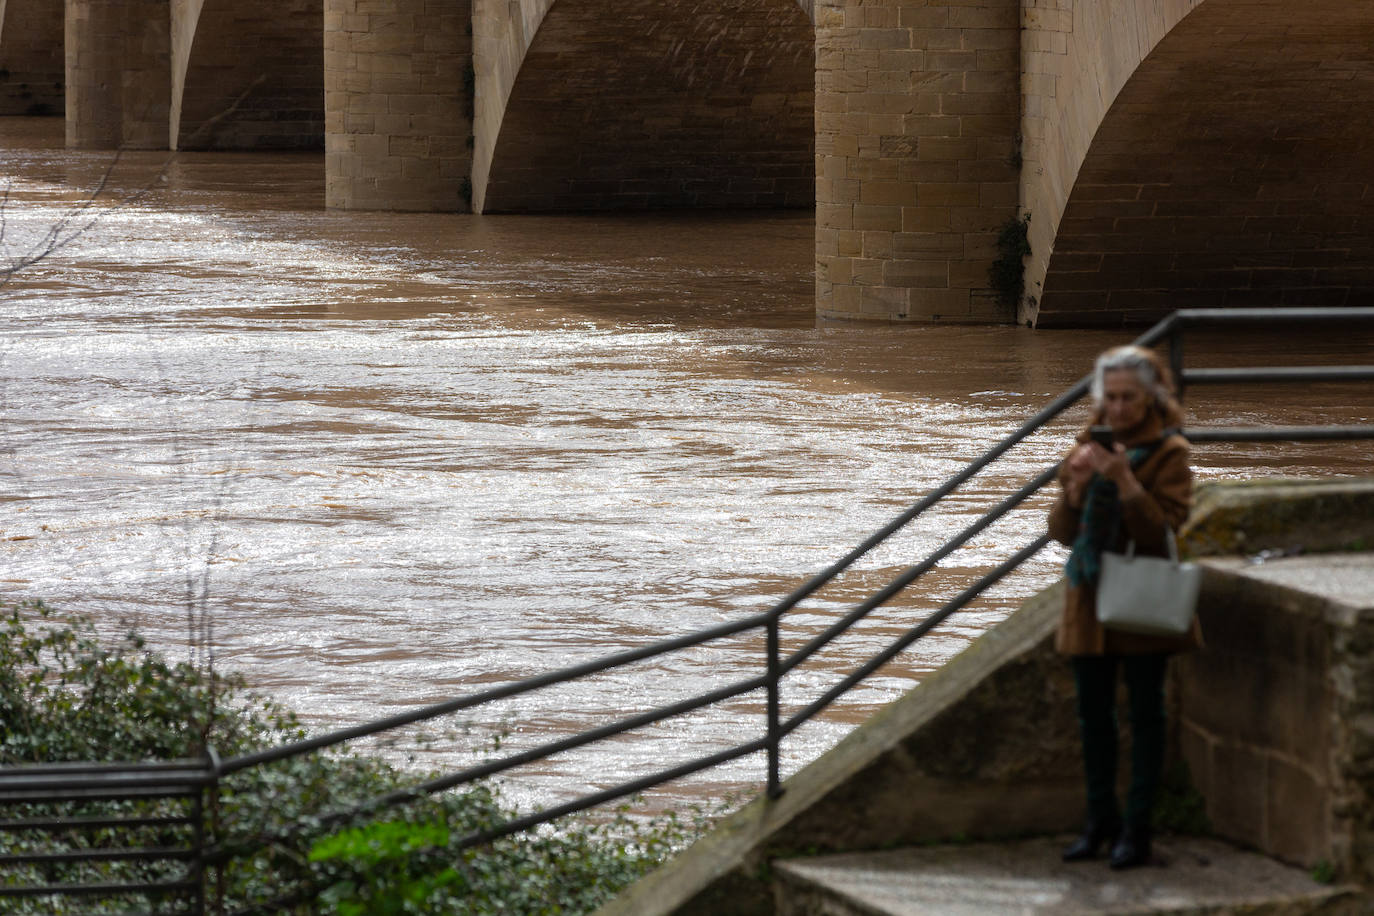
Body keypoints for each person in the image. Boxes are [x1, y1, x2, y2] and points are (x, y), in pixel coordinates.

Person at [1048, 345, 1201, 869]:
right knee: (1093, 716)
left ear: (1150, 396)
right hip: (1089, 598)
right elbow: (1062, 534)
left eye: (1128, 398)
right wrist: (1076, 489)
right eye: (1109, 397)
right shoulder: (1086, 446)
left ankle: (1137, 830)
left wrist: (1125, 481)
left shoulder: (1170, 452)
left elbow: (1163, 533)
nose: (1117, 408)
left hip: (1139, 595)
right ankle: (1098, 824)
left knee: (1145, 713)